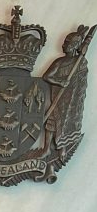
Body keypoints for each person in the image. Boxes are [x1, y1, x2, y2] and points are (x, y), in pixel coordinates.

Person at [42, 25, 90, 156]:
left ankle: (62, 147)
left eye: (69, 43)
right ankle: (46, 148)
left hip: (71, 99)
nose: (65, 45)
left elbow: (82, 80)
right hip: (59, 98)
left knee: (67, 121)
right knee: (51, 121)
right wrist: (60, 81)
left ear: (76, 46)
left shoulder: (80, 62)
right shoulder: (59, 62)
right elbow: (47, 77)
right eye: (66, 42)